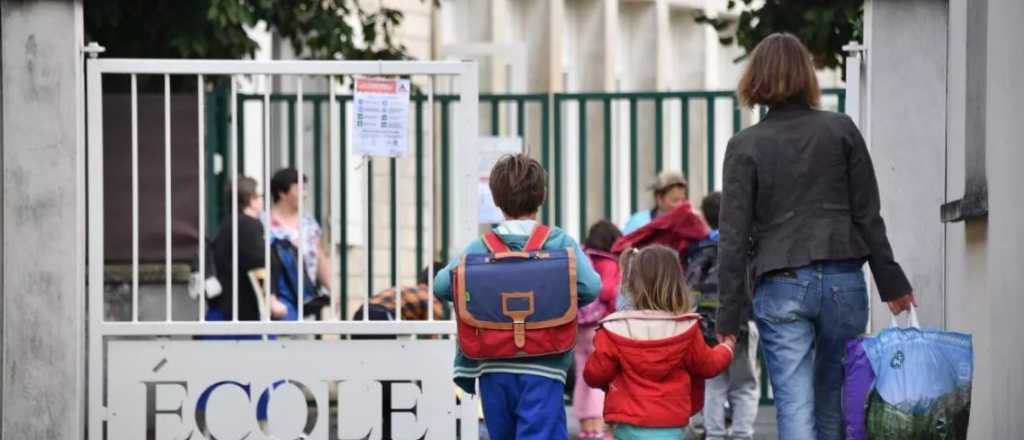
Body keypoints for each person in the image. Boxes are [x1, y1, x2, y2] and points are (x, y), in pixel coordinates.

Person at [717, 33, 916, 440]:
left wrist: (729, 319)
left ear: (755, 78)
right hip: (844, 282)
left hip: (781, 283)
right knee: (834, 399)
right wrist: (891, 283)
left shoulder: (744, 146)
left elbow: (733, 239)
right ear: (807, 75)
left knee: (794, 403)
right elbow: (868, 216)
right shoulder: (841, 130)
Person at [433, 154, 602, 440]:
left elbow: (441, 285)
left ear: (496, 199)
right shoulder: (560, 243)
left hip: (493, 366)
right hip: (545, 364)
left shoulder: (481, 247)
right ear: (543, 196)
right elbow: (590, 287)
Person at [584, 245, 736, 440]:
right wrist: (726, 347)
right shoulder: (687, 329)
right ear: (677, 283)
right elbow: (708, 365)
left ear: (630, 284)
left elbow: (594, 375)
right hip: (672, 423)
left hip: (628, 424)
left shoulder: (614, 329)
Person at [690, 192, 761, 440]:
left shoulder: (702, 252)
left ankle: (715, 435)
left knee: (714, 385)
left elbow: (692, 290)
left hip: (708, 329)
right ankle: (742, 434)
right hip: (743, 323)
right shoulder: (748, 247)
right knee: (745, 384)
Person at [208, 177, 286, 323]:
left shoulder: (230, 223)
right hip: (244, 314)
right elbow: (258, 264)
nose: (262, 201)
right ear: (251, 200)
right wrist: (271, 301)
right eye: (260, 197)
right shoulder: (248, 225)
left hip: (227, 309)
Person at [575, 220, 623, 440]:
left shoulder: (582, 257)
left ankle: (585, 425)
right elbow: (608, 292)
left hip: (578, 324)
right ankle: (599, 426)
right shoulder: (608, 262)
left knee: (582, 374)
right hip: (599, 326)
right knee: (600, 375)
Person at [269, 168, 334, 318]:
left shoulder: (309, 223)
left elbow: (320, 257)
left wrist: (332, 288)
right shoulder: (263, 223)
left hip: (304, 299)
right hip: (275, 299)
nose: (305, 194)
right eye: (299, 189)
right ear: (282, 192)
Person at [621, 171, 689, 235]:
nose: (680, 205)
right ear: (659, 199)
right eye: (675, 200)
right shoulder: (639, 223)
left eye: (683, 200)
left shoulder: (688, 225)